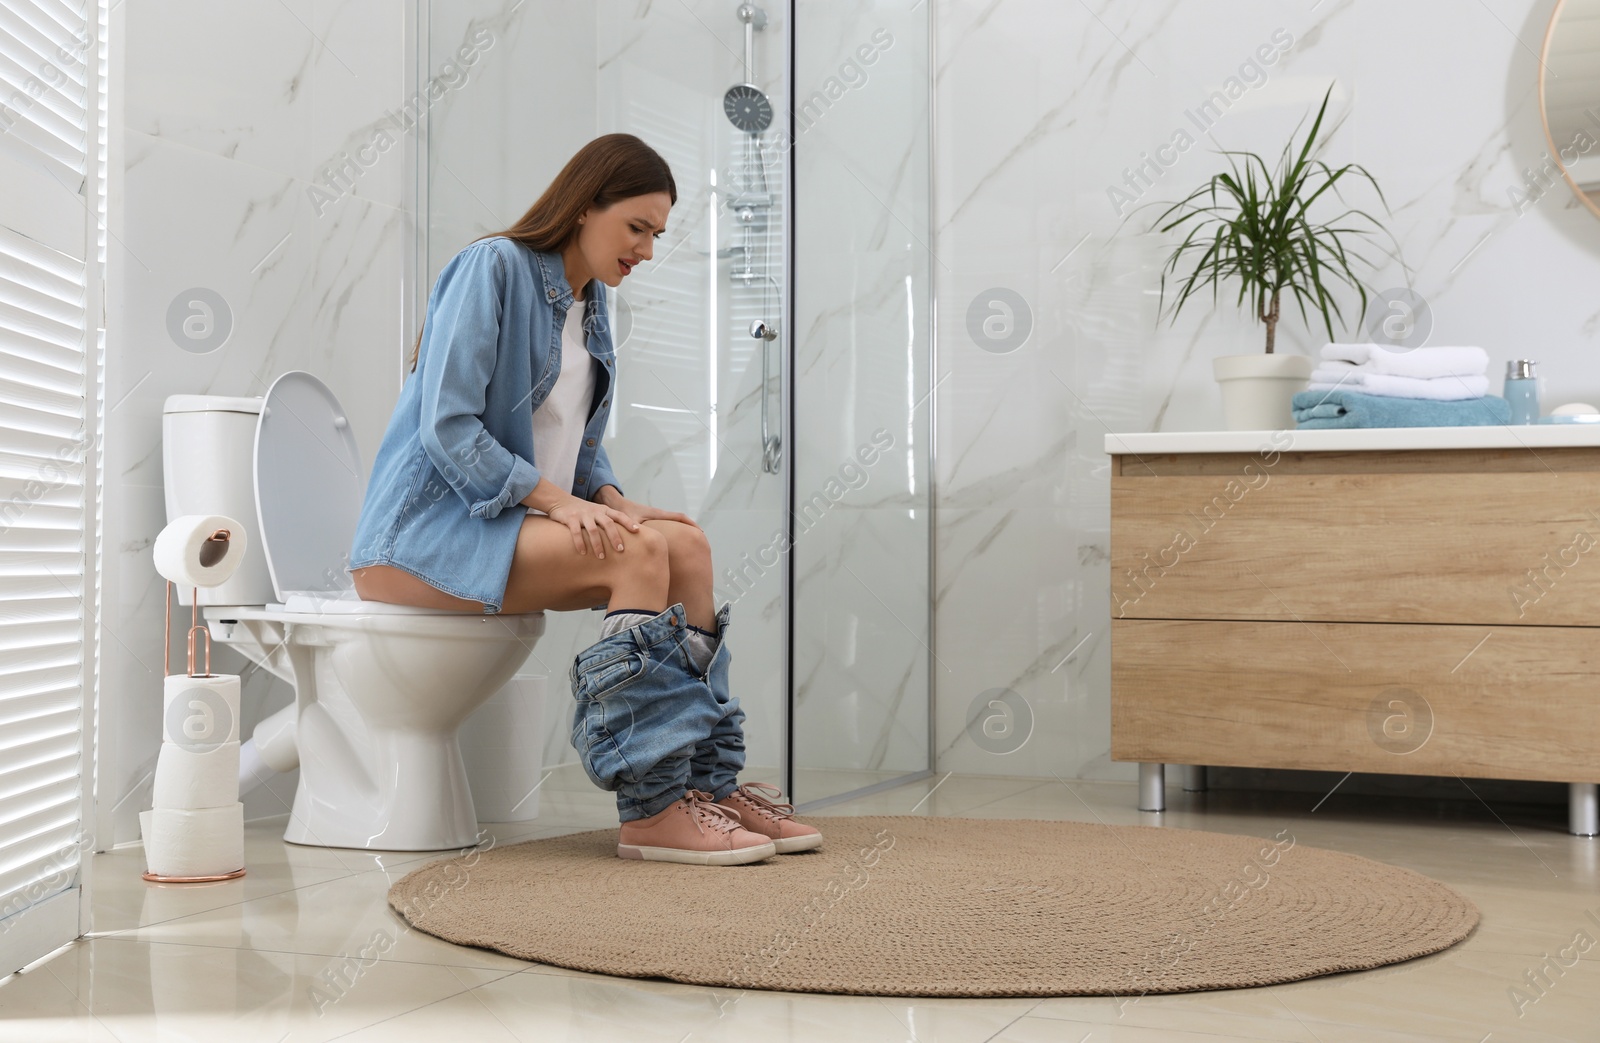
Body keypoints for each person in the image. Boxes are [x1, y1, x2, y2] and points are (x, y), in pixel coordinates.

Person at [345, 133, 820, 866]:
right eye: (637, 227)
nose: (648, 251)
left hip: (505, 524)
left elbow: (575, 444)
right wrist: (556, 502)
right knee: (639, 556)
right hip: (421, 535)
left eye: (657, 234)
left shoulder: (589, 304)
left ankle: (706, 783)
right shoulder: (493, 267)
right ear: (583, 206)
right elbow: (448, 425)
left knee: (683, 543)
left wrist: (613, 500)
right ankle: (652, 808)